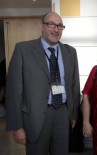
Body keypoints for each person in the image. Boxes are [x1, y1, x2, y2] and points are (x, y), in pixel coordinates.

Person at [5, 12, 80, 155]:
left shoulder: (70, 52)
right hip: (35, 118)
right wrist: (17, 126)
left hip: (63, 114)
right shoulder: (23, 49)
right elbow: (14, 90)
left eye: (60, 26)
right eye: (51, 24)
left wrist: (73, 115)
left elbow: (74, 86)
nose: (56, 29)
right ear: (41, 26)